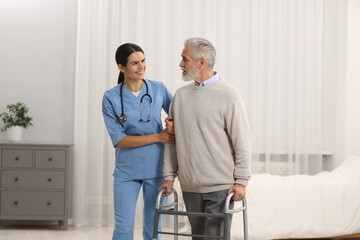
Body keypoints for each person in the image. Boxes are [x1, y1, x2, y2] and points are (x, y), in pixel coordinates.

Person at [159, 37, 252, 239]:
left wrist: (242, 181)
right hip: (190, 187)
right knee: (198, 238)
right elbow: (172, 141)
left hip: (220, 187)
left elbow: (242, 141)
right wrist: (168, 177)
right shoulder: (181, 96)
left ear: (200, 61)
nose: (180, 64)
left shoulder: (229, 95)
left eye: (185, 59)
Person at [102, 43, 174, 240]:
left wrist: (171, 124)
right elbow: (120, 140)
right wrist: (158, 136)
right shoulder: (110, 97)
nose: (141, 66)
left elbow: (180, 117)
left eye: (143, 61)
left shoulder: (159, 89)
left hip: (156, 168)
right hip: (127, 171)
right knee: (123, 229)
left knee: (153, 230)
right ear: (121, 67)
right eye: (135, 63)